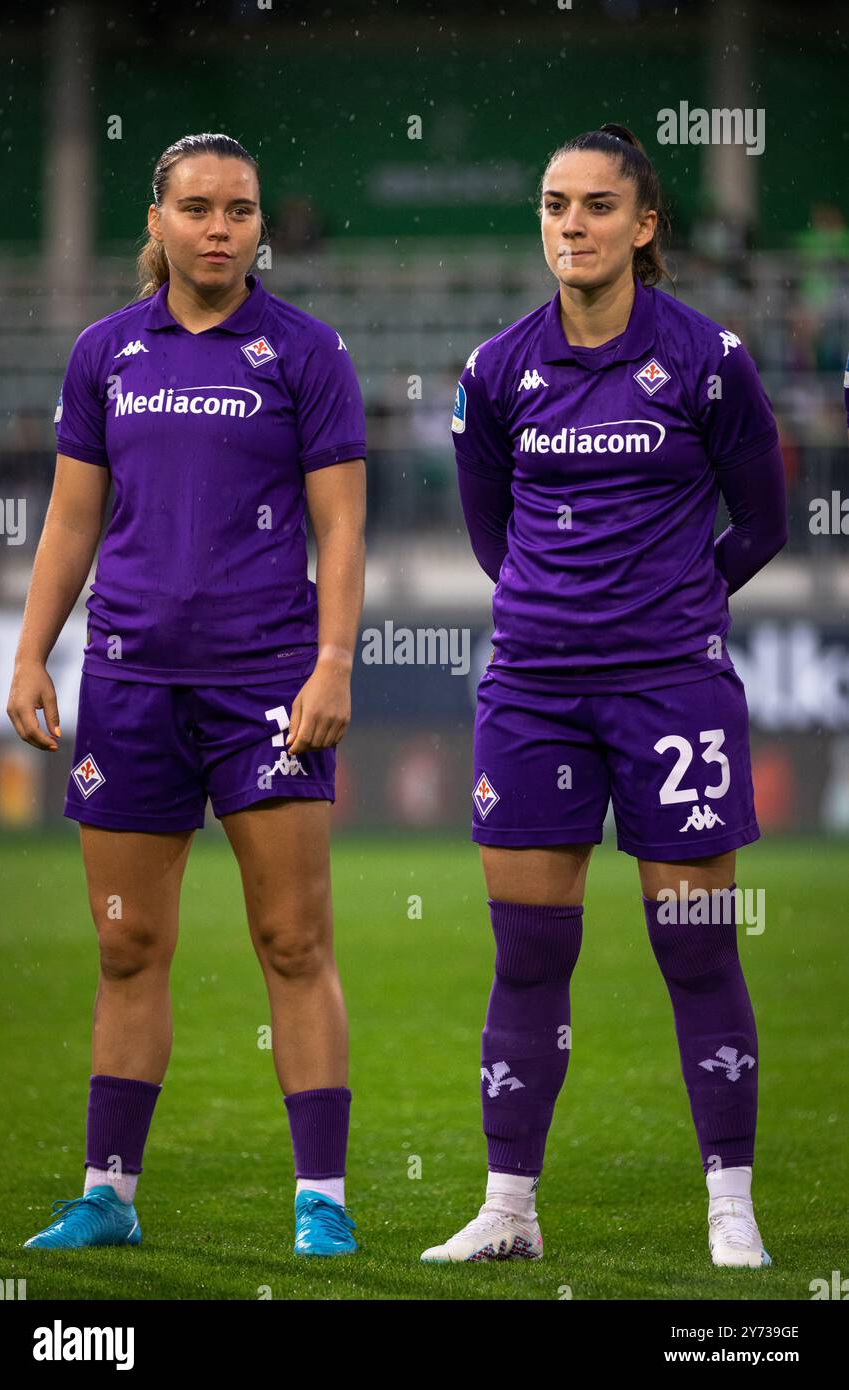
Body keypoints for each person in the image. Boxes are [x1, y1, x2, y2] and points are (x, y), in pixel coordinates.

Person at [422, 124, 787, 1267]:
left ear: (643, 225)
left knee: (695, 946)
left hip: (671, 687)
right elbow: (494, 537)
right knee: (527, 953)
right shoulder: (495, 369)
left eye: (592, 206)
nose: (568, 225)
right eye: (550, 204)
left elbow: (764, 521)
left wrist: (673, 602)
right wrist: (562, 614)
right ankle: (507, 1211)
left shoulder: (706, 358)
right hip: (532, 690)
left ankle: (729, 1208)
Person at [8, 132, 367, 1257]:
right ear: (156, 223)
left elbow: (341, 525)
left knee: (292, 939)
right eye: (200, 209)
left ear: (261, 227)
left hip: (268, 685)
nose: (221, 228)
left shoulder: (305, 353)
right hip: (128, 683)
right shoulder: (105, 353)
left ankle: (323, 1200)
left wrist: (332, 662)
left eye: (241, 210)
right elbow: (71, 520)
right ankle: (108, 1194)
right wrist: (31, 653)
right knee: (125, 946)